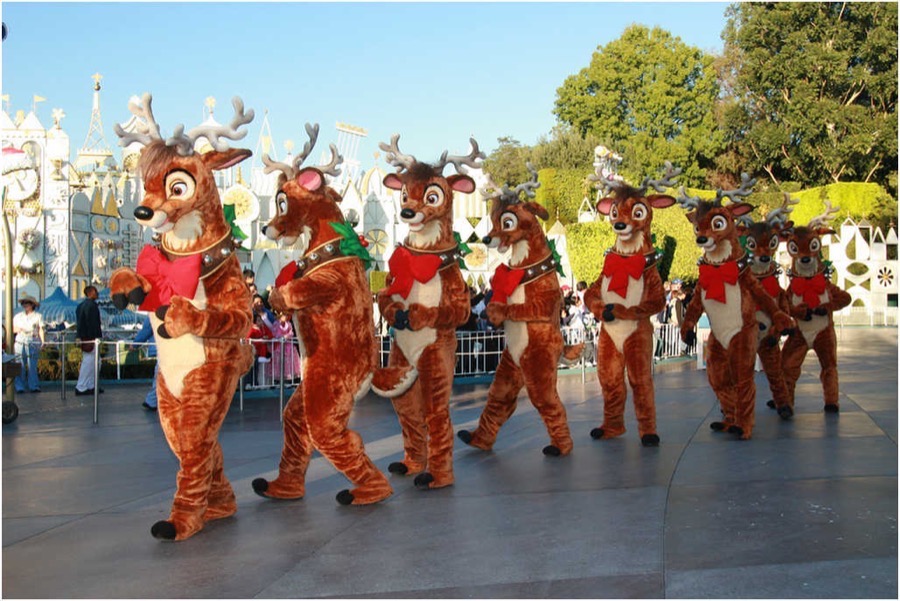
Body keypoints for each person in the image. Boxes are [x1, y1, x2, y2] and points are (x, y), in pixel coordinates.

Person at [75, 285, 103, 396]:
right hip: (90, 337)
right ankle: (82, 386)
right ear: (90, 293)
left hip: (84, 336)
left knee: (95, 361)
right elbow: (93, 324)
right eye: (95, 292)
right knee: (89, 361)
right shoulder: (92, 306)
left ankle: (90, 385)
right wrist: (95, 337)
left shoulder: (80, 306)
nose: (97, 294)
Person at [13, 295, 44, 393]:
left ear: (32, 305)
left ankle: (33, 385)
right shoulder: (18, 316)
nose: (25, 305)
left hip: (32, 339)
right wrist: (20, 329)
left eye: (28, 303)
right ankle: (19, 386)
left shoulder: (38, 316)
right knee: (20, 364)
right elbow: (13, 329)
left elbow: (41, 329)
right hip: (20, 339)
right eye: (24, 303)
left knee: (32, 364)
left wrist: (43, 341)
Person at [132, 314, 158, 411]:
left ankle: (152, 400)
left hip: (162, 347)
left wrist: (135, 343)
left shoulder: (154, 311)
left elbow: (146, 329)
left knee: (160, 375)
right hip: (167, 347)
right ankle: (152, 400)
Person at [269, 312, 301, 383]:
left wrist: (286, 336)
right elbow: (275, 333)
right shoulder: (276, 324)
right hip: (279, 346)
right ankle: (280, 382)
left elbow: (291, 332)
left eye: (286, 315)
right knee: (280, 363)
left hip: (289, 345)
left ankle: (289, 381)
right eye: (284, 316)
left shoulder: (288, 323)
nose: (285, 317)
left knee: (289, 363)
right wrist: (281, 337)